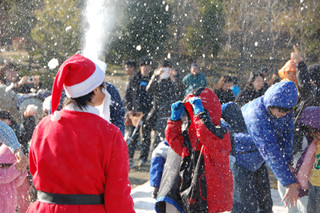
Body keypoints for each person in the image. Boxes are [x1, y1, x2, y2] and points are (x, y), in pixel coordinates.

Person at [26, 54, 134, 212]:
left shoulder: (43, 126)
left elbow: (35, 172)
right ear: (95, 90)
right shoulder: (109, 133)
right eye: (103, 84)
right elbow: (118, 194)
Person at [156, 88, 233, 213]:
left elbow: (207, 134)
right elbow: (174, 142)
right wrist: (174, 121)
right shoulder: (191, 135)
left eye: (195, 110)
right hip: (193, 194)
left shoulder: (221, 133)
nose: (193, 113)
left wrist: (200, 114)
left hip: (213, 200)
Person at [234, 81, 299, 212]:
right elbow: (270, 150)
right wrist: (289, 182)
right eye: (281, 110)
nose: (284, 114)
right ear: (271, 103)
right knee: (246, 207)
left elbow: (287, 135)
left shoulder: (284, 108)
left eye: (288, 110)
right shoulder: (256, 114)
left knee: (266, 205)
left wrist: (288, 161)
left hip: (258, 159)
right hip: (240, 160)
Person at [146, 59, 185, 151]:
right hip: (158, 112)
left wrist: (173, 78)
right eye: (163, 69)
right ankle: (154, 155)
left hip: (171, 112)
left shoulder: (175, 78)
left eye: (167, 69)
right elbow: (148, 89)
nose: (165, 72)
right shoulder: (157, 79)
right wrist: (155, 76)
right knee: (158, 138)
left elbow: (181, 89)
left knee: (171, 138)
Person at [124, 58, 153, 167]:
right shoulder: (134, 79)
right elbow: (127, 96)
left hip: (148, 112)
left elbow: (155, 97)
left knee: (146, 136)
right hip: (134, 113)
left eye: (148, 66)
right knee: (133, 135)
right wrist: (130, 109)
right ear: (140, 67)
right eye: (144, 66)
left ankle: (143, 158)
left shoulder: (152, 79)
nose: (146, 68)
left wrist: (151, 111)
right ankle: (130, 158)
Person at [297, 106, 320, 212]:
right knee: (312, 209)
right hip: (313, 183)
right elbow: (307, 162)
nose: (313, 134)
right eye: (310, 132)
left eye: (315, 131)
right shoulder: (315, 144)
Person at [0, 143, 28, 213]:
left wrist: (22, 172)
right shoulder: (2, 174)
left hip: (11, 205)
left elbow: (17, 183)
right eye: (8, 166)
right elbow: (5, 177)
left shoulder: (11, 175)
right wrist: (16, 169)